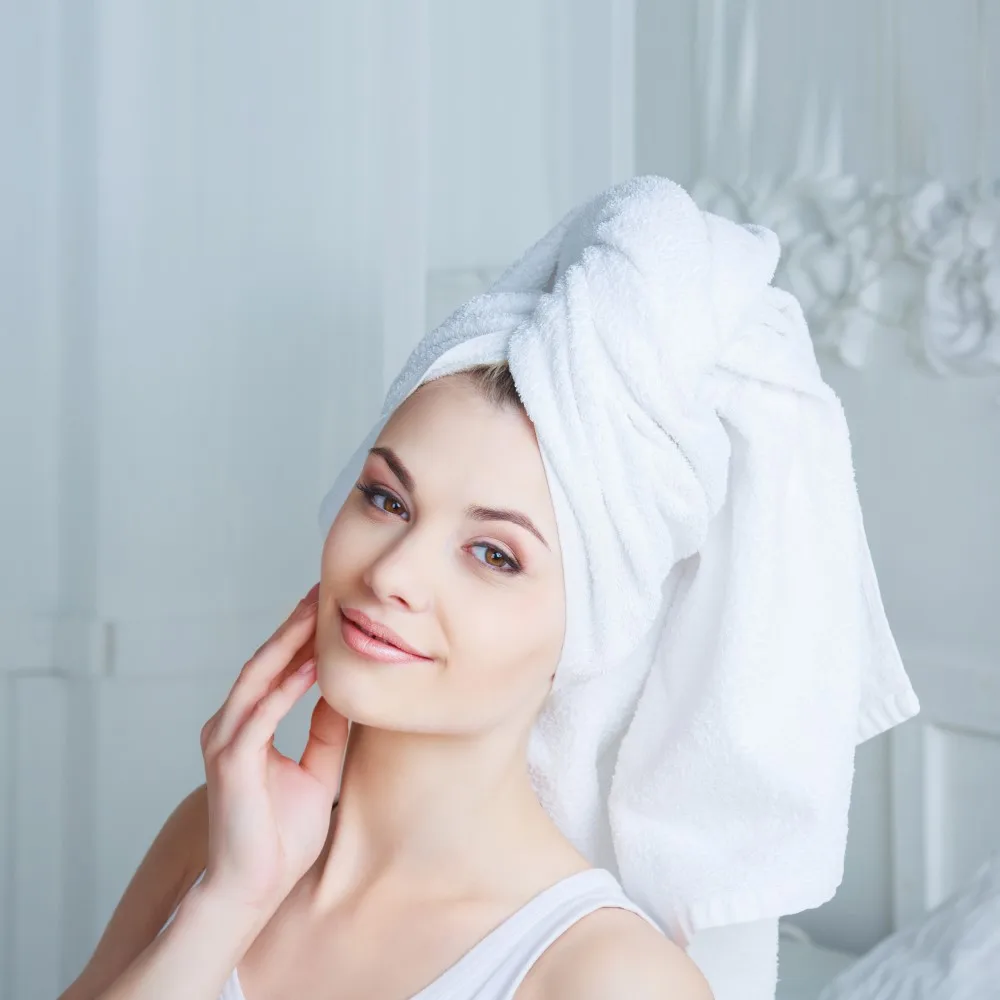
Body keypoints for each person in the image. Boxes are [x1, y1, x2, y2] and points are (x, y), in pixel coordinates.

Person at [60, 362, 714, 1000]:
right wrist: (230, 903)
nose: (391, 574)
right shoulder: (219, 834)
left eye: (494, 555)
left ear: (590, 630)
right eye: (386, 499)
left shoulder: (614, 979)